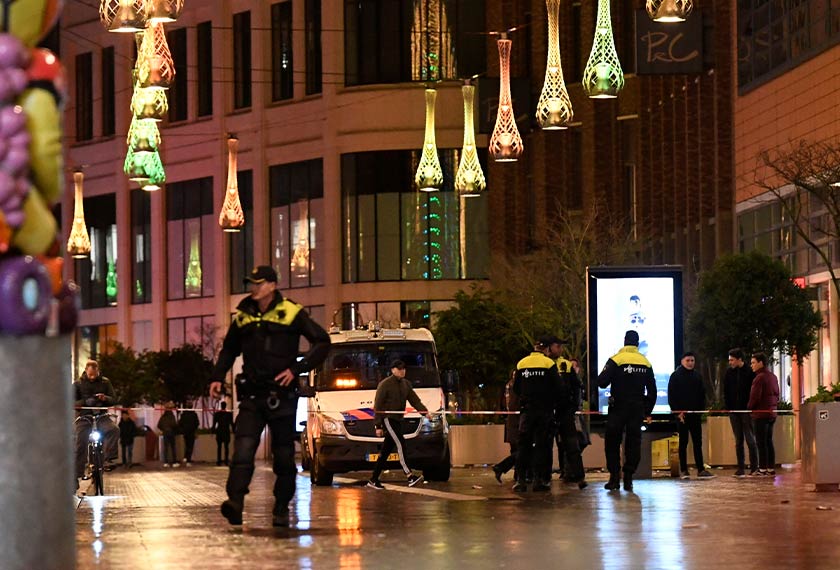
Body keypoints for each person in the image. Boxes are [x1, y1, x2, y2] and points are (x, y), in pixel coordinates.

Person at [209, 265, 330, 527]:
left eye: (259, 283)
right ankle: (235, 503)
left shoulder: (291, 312)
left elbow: (322, 342)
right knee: (242, 450)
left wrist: (296, 369)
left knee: (284, 457)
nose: (253, 288)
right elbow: (229, 349)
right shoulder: (243, 317)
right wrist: (218, 376)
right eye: (251, 283)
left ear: (272, 285)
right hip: (253, 396)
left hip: (282, 397)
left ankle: (281, 506)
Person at [597, 330, 657, 491]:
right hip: (636, 409)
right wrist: (647, 410)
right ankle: (629, 478)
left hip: (618, 408)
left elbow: (601, 382)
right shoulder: (645, 362)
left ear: (625, 341)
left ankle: (614, 478)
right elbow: (653, 390)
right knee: (633, 443)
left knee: (612, 443)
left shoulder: (616, 359)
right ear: (637, 343)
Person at [367, 360, 430, 489]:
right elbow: (377, 406)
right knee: (401, 444)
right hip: (388, 419)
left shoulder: (406, 384)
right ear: (393, 370)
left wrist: (425, 413)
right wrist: (378, 425)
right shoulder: (385, 384)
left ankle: (373, 479)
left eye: (404, 369)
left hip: (397, 420)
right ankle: (409, 475)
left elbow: (415, 401)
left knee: (385, 452)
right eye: (399, 369)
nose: (402, 371)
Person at [512, 336, 564, 492]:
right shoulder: (549, 364)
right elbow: (559, 388)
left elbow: (516, 388)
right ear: (547, 349)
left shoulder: (522, 363)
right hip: (544, 411)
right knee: (541, 445)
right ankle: (538, 480)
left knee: (524, 446)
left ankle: (521, 480)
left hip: (527, 411)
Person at [668, 352, 714, 479]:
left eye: (692, 360)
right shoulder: (675, 376)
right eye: (688, 360)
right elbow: (672, 396)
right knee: (683, 442)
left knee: (697, 442)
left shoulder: (697, 376)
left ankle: (701, 469)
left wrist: (700, 411)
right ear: (682, 361)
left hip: (695, 415)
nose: (690, 363)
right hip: (681, 416)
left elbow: (702, 394)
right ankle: (683, 470)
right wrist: (677, 412)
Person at [73, 359, 119, 487]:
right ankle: (75, 477)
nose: (92, 377)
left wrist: (105, 398)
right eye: (90, 375)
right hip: (84, 417)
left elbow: (114, 399)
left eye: (95, 374)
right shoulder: (77, 384)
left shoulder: (105, 382)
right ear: (86, 371)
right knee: (80, 443)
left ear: (98, 371)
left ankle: (108, 460)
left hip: (101, 416)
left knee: (114, 429)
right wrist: (85, 402)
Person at [724, 348, 759, 477]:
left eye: (732, 360)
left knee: (750, 439)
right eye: (729, 360)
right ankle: (740, 467)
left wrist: (750, 407)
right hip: (734, 411)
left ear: (739, 359)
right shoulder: (728, 373)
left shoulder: (750, 372)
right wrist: (729, 407)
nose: (730, 363)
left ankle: (754, 467)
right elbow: (726, 391)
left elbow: (753, 392)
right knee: (738, 440)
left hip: (746, 411)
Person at [748, 352, 780, 476]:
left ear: (760, 363)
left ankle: (762, 468)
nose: (751, 365)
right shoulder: (773, 376)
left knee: (761, 442)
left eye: (753, 363)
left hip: (760, 414)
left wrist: (749, 408)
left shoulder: (759, 378)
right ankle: (770, 468)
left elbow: (755, 396)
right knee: (768, 441)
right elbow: (777, 394)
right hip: (771, 413)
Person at [492, 370, 519, 484]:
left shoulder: (508, 385)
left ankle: (517, 474)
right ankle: (501, 467)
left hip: (511, 421)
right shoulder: (515, 386)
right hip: (517, 421)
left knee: (516, 449)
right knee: (524, 449)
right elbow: (511, 404)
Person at [213, 401, 234, 466]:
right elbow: (231, 423)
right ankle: (226, 461)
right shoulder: (229, 414)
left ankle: (219, 461)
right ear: (225, 406)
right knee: (226, 447)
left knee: (219, 447)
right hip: (226, 431)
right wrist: (234, 430)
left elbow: (214, 424)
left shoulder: (217, 414)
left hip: (219, 431)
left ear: (221, 406)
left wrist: (212, 431)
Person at [157, 402, 178, 468]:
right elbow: (174, 425)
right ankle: (174, 462)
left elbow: (159, 425)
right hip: (171, 433)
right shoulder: (172, 416)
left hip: (165, 433)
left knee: (166, 448)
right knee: (173, 448)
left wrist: (163, 429)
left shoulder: (163, 417)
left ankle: (166, 462)